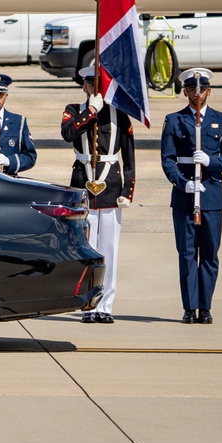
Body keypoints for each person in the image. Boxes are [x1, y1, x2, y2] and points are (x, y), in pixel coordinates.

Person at [161, 68, 222, 325]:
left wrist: (210, 161)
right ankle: (189, 307)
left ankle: (205, 307)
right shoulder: (174, 120)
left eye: (201, 89)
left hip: (212, 197)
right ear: (185, 92)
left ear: (208, 91)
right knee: (186, 254)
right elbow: (168, 160)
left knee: (210, 254)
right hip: (184, 198)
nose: (197, 93)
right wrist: (183, 185)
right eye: (192, 89)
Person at [61, 66, 136, 323]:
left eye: (98, 84)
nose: (94, 88)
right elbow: (68, 133)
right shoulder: (74, 110)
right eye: (90, 84)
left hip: (111, 186)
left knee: (109, 249)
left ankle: (106, 305)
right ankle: (88, 304)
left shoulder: (119, 114)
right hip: (83, 184)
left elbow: (128, 155)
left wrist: (129, 190)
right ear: (84, 86)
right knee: (86, 247)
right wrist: (90, 111)